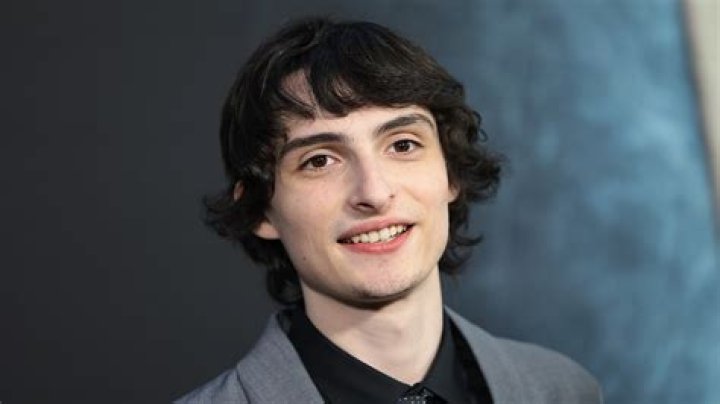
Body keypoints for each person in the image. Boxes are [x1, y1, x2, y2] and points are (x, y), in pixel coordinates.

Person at [176, 17, 602, 404]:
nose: (375, 193)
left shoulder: (564, 392)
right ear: (260, 211)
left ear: (450, 173)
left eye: (403, 145)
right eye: (320, 160)